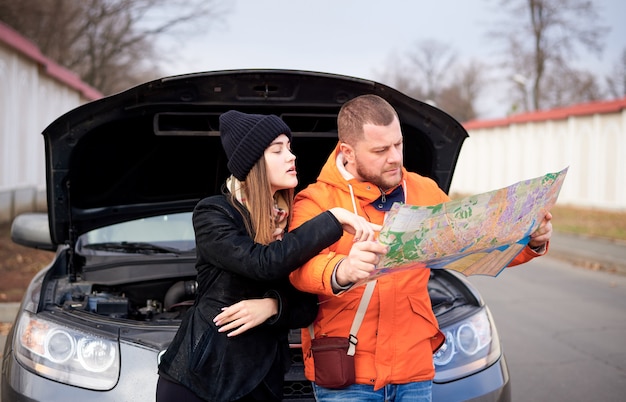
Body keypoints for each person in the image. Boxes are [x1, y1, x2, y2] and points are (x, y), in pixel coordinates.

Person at [289, 94, 553, 401]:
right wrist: (341, 269)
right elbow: (297, 268)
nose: (395, 157)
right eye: (380, 150)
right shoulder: (315, 201)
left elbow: (476, 244)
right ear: (347, 151)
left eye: (398, 144)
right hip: (348, 374)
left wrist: (530, 240)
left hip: (414, 369)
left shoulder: (424, 190)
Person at [157, 110, 380, 402]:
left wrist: (272, 306)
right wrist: (333, 218)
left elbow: (308, 305)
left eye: (289, 147)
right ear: (253, 163)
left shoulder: (292, 222)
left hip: (263, 383)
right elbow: (261, 263)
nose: (292, 156)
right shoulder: (214, 213)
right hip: (201, 381)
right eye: (278, 150)